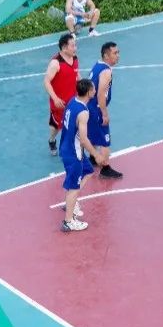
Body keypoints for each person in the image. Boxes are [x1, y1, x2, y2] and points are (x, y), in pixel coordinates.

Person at [59, 79, 107, 232]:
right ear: (88, 92)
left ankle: (71, 202)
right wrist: (96, 155)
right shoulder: (83, 112)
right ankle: (68, 221)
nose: (95, 90)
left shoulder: (72, 101)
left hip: (67, 147)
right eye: (93, 89)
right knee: (74, 187)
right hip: (74, 153)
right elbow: (84, 139)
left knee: (88, 171)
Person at [87, 41, 122, 179]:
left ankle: (92, 158)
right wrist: (104, 114)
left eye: (118, 52)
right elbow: (100, 94)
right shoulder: (106, 71)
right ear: (106, 56)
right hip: (96, 108)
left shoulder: (97, 65)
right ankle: (105, 168)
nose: (118, 55)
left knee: (93, 134)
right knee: (105, 139)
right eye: (115, 53)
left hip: (89, 107)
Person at [43, 33, 79, 156]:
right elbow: (46, 81)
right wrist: (55, 98)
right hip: (59, 102)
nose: (75, 48)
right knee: (56, 127)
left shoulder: (75, 58)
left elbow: (76, 74)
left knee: (74, 123)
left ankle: (71, 148)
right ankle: (52, 140)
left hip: (73, 99)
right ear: (64, 48)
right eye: (72, 46)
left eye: (75, 45)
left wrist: (83, 87)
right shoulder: (56, 63)